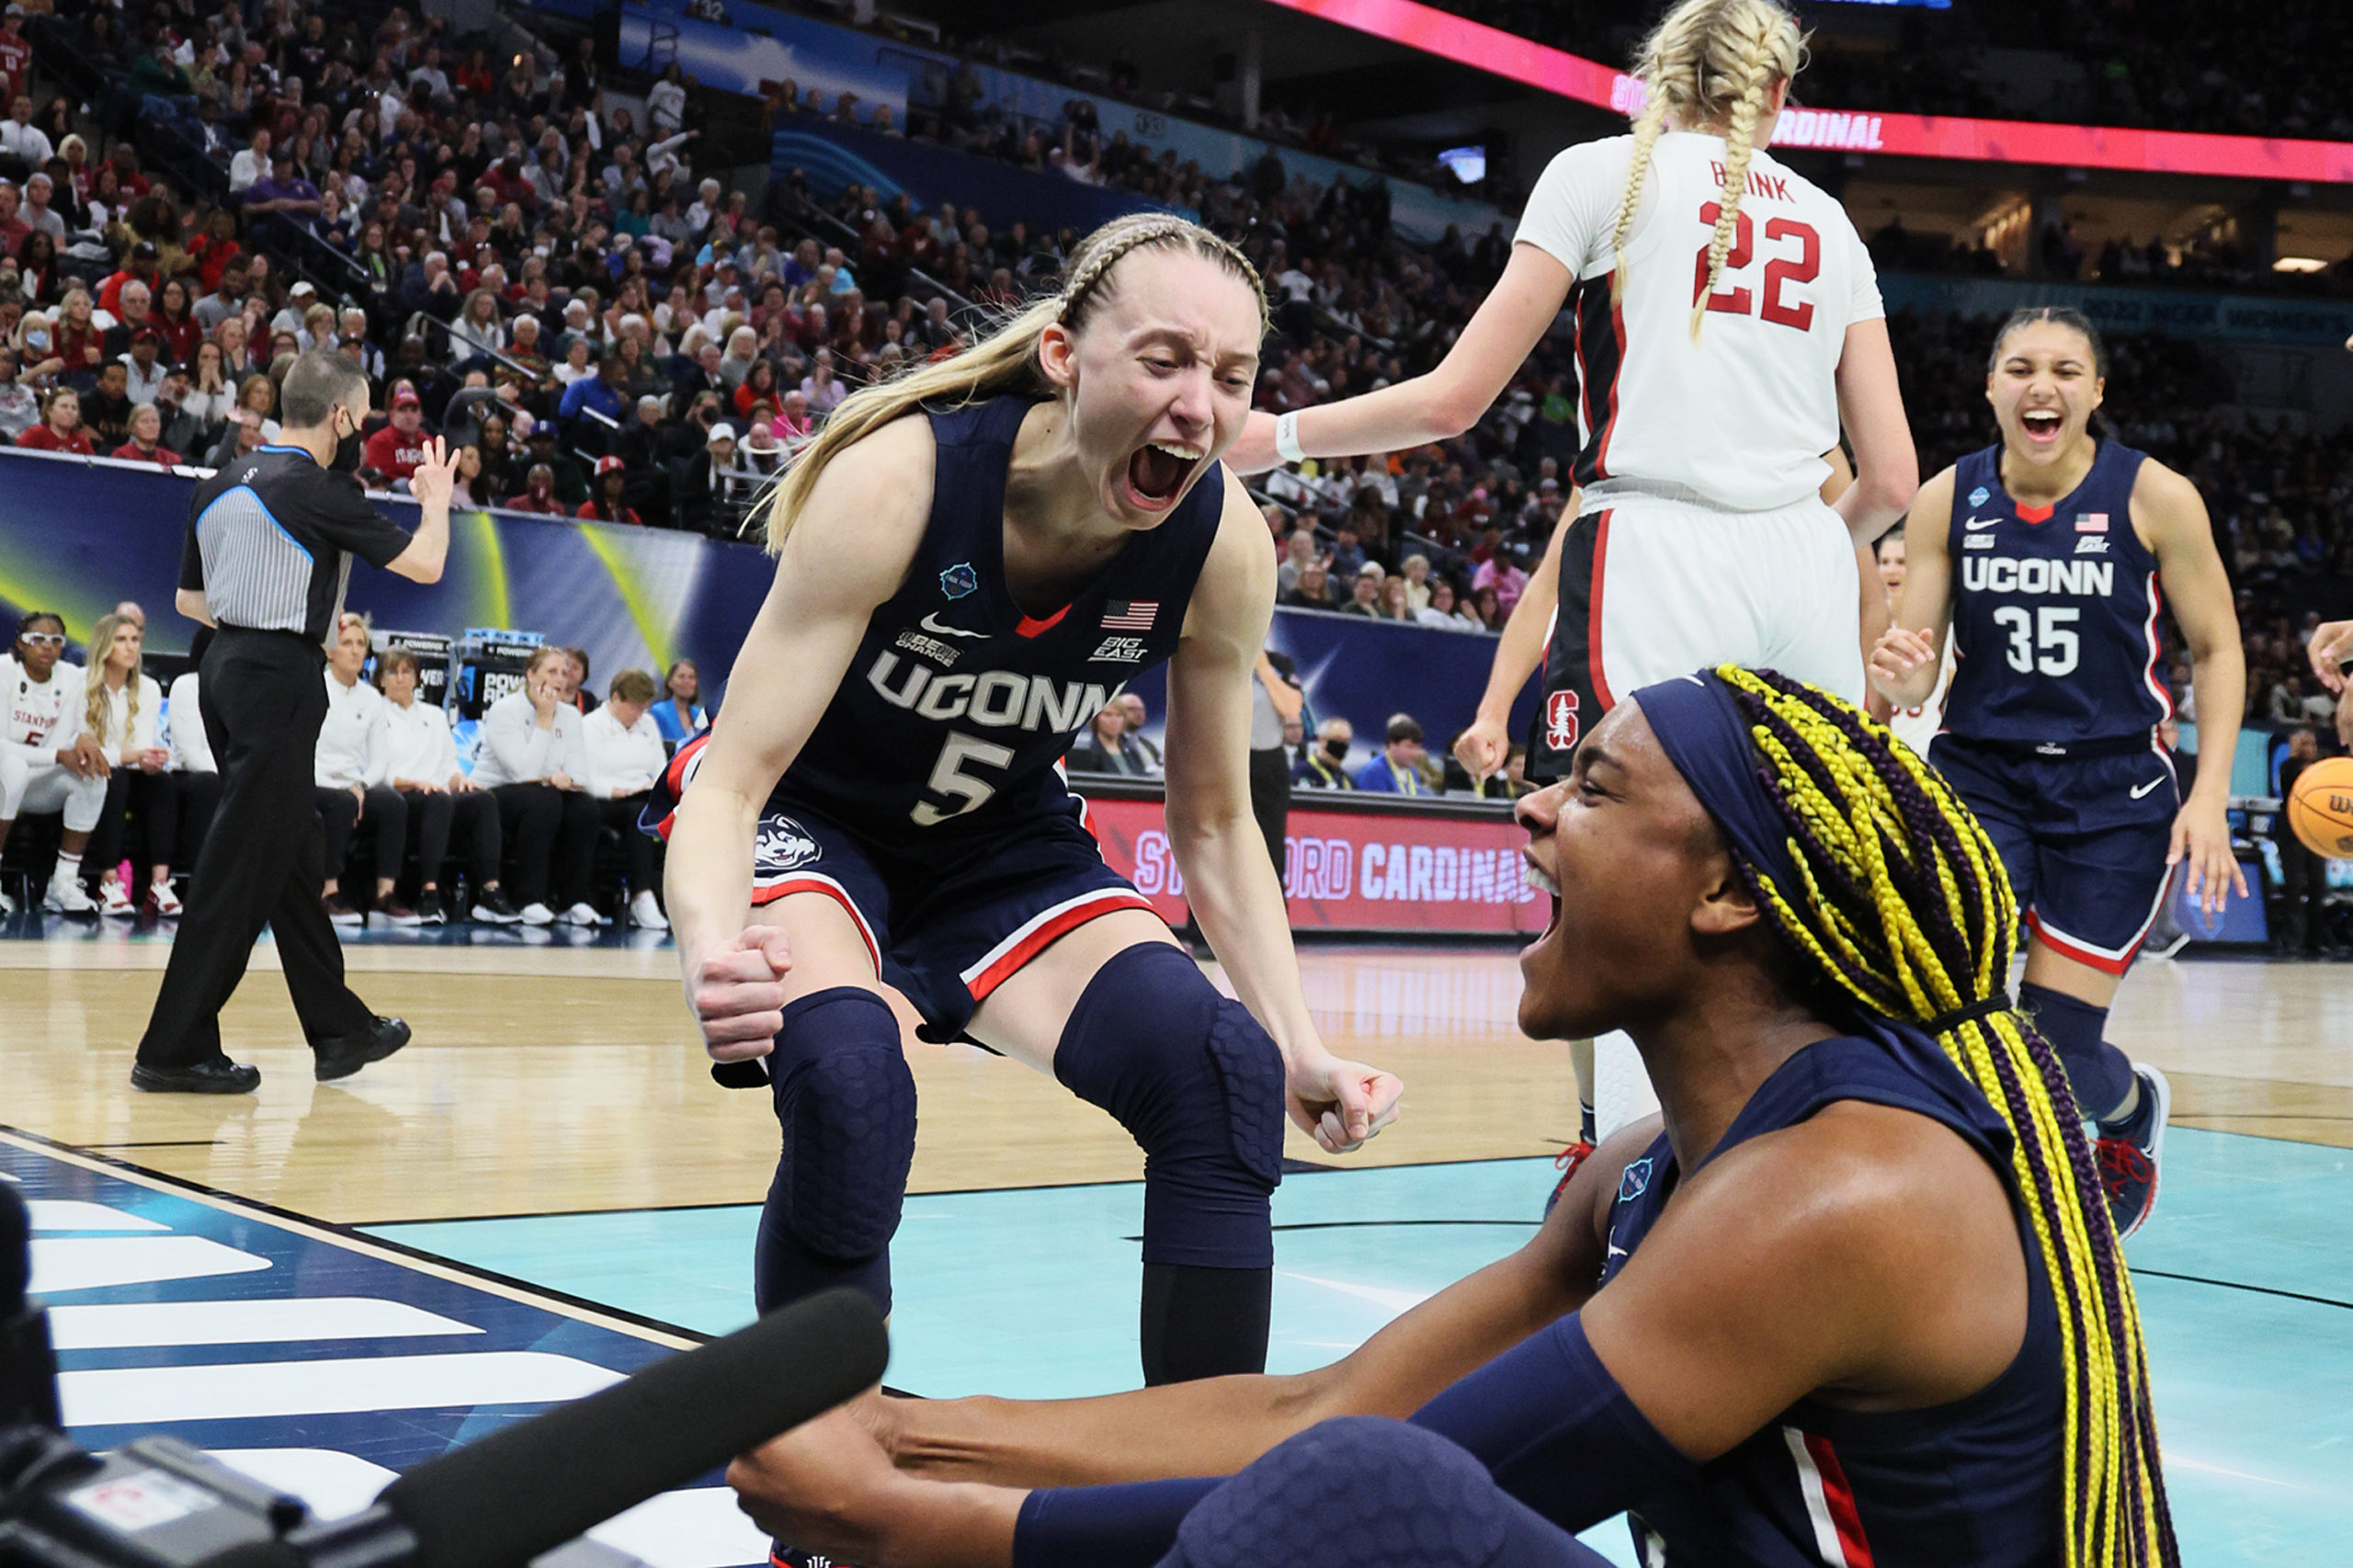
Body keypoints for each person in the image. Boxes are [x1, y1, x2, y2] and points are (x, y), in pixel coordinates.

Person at [723, 668, 2176, 1568]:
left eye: (1592, 788)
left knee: (1372, 1502)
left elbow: (1372, 1499)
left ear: (1730, 891)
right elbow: (1317, 1405)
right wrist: (914, 1436)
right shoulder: (1646, 1174)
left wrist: (910, 1525)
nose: (1534, 814)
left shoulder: (1842, 1196)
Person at [655, 214, 1400, 1400]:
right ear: (1062, 354)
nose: (1198, 404)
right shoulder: (904, 476)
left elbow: (1212, 822)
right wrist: (712, 949)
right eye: (1162, 359)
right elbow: (733, 775)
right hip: (814, 816)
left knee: (1224, 1070)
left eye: (1230, 376)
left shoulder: (1223, 543)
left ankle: (1191, 1501)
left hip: (1000, 836)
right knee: (851, 1083)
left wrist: (1297, 1038)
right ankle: (818, 1497)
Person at [1233, 0, 1913, 1200]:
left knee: (1629, 867)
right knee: (1793, 874)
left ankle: (1648, 1195)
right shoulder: (1830, 221)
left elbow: (1454, 401)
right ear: (1777, 91)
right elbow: (1894, 479)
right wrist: (1802, 536)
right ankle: (1810, 1183)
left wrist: (1273, 432)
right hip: (1805, 556)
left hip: (1655, 537)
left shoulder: (1606, 175)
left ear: (1657, 72)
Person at [1870, 306, 2245, 1239]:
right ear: (1990, 385)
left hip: (2112, 794)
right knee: (1942, 1003)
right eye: (2022, 367)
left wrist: (2207, 798)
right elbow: (1916, 661)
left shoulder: (2154, 496)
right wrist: (1894, 671)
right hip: (1981, 774)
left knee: (2057, 1047)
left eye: (2067, 371)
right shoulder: (1945, 497)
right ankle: (1956, 1194)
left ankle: (2125, 1113)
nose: (2044, 386)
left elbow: (2217, 646)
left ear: (2096, 393)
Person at [132, 350, 459, 1095]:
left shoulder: (218, 481)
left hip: (217, 666)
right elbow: (427, 565)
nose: (364, 424)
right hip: (278, 678)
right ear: (340, 415)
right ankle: (173, 1047)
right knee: (238, 864)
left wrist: (249, 629)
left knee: (288, 848)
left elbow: (189, 601)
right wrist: (435, 499)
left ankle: (339, 1030)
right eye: (364, 412)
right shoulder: (321, 489)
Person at [374, 646, 519, 926]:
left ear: (417, 678)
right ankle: (429, 891)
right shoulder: (376, 713)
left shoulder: (434, 715)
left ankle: (490, 891)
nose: (401, 678)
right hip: (398, 795)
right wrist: (414, 782)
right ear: (381, 679)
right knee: (437, 801)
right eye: (393, 672)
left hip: (437, 794)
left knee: (482, 799)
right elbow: (379, 769)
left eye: (407, 672)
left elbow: (449, 764)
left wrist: (459, 779)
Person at [469, 642, 602, 926]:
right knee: (544, 801)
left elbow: (581, 772)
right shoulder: (505, 710)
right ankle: (528, 898)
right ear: (530, 675)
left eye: (563, 673)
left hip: (543, 792)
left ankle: (573, 899)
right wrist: (543, 718)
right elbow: (520, 772)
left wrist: (568, 779)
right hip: (494, 795)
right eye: (551, 671)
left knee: (584, 808)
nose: (558, 679)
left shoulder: (571, 715)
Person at [0, 610, 109, 916]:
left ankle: (62, 884)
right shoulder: (3, 671)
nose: (47, 646)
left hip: (41, 783)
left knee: (93, 774)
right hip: (4, 780)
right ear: (21, 644)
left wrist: (85, 738)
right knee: (13, 767)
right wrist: (59, 755)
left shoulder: (73, 677)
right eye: (37, 639)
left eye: (55, 640)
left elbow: (77, 731)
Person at [313, 613, 411, 926]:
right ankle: (329, 891)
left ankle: (384, 894)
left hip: (350, 786)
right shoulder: (313, 687)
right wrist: (345, 791)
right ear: (330, 651)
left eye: (361, 644)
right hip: (312, 782)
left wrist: (359, 785)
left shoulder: (371, 699)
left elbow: (380, 762)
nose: (356, 651)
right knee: (341, 803)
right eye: (347, 644)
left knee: (393, 804)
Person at [75, 610, 173, 918]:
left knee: (163, 783)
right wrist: (131, 755)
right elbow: (85, 746)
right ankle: (108, 881)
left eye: (134, 640)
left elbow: (141, 743)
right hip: (86, 771)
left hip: (130, 773)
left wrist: (150, 760)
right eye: (121, 640)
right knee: (113, 779)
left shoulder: (149, 687)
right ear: (105, 645)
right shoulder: (80, 684)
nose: (131, 647)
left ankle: (160, 883)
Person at [583, 668, 671, 929]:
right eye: (635, 707)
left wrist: (654, 787)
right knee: (638, 815)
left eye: (644, 708)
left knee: (654, 812)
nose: (640, 714)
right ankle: (642, 896)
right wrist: (616, 790)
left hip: (642, 795)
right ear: (616, 698)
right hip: (605, 798)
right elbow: (586, 776)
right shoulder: (591, 725)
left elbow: (660, 768)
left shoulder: (648, 724)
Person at [1870, 527, 1953, 755]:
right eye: (1884, 562)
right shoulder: (1864, 628)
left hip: (1924, 755)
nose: (1891, 570)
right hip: (1878, 751)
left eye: (1900, 562)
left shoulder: (1939, 631)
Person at [162, 631, 222, 918]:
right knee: (210, 785)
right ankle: (204, 887)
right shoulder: (186, 686)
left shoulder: (243, 690)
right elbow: (191, 753)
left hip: (227, 776)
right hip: (189, 776)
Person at [2272, 728, 2327, 959]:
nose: (2308, 748)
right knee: (2294, 887)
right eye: (2303, 743)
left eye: (2312, 744)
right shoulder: (2289, 767)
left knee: (2318, 885)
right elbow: (2293, 784)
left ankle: (2316, 940)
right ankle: (2292, 939)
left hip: (2315, 834)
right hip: (2292, 834)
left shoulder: (2322, 770)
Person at [1352, 714, 1428, 795]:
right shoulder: (1374, 773)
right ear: (1392, 745)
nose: (1414, 753)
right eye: (1409, 747)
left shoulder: (1413, 772)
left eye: (1417, 748)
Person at [654, 658, 708, 744]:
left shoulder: (700, 714)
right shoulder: (657, 712)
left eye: (691, 677)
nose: (687, 682)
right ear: (670, 682)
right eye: (681, 677)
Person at [1290, 717, 1354, 790]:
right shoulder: (1302, 773)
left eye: (1346, 741)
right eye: (1338, 739)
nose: (1342, 745)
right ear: (1322, 740)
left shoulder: (1348, 781)